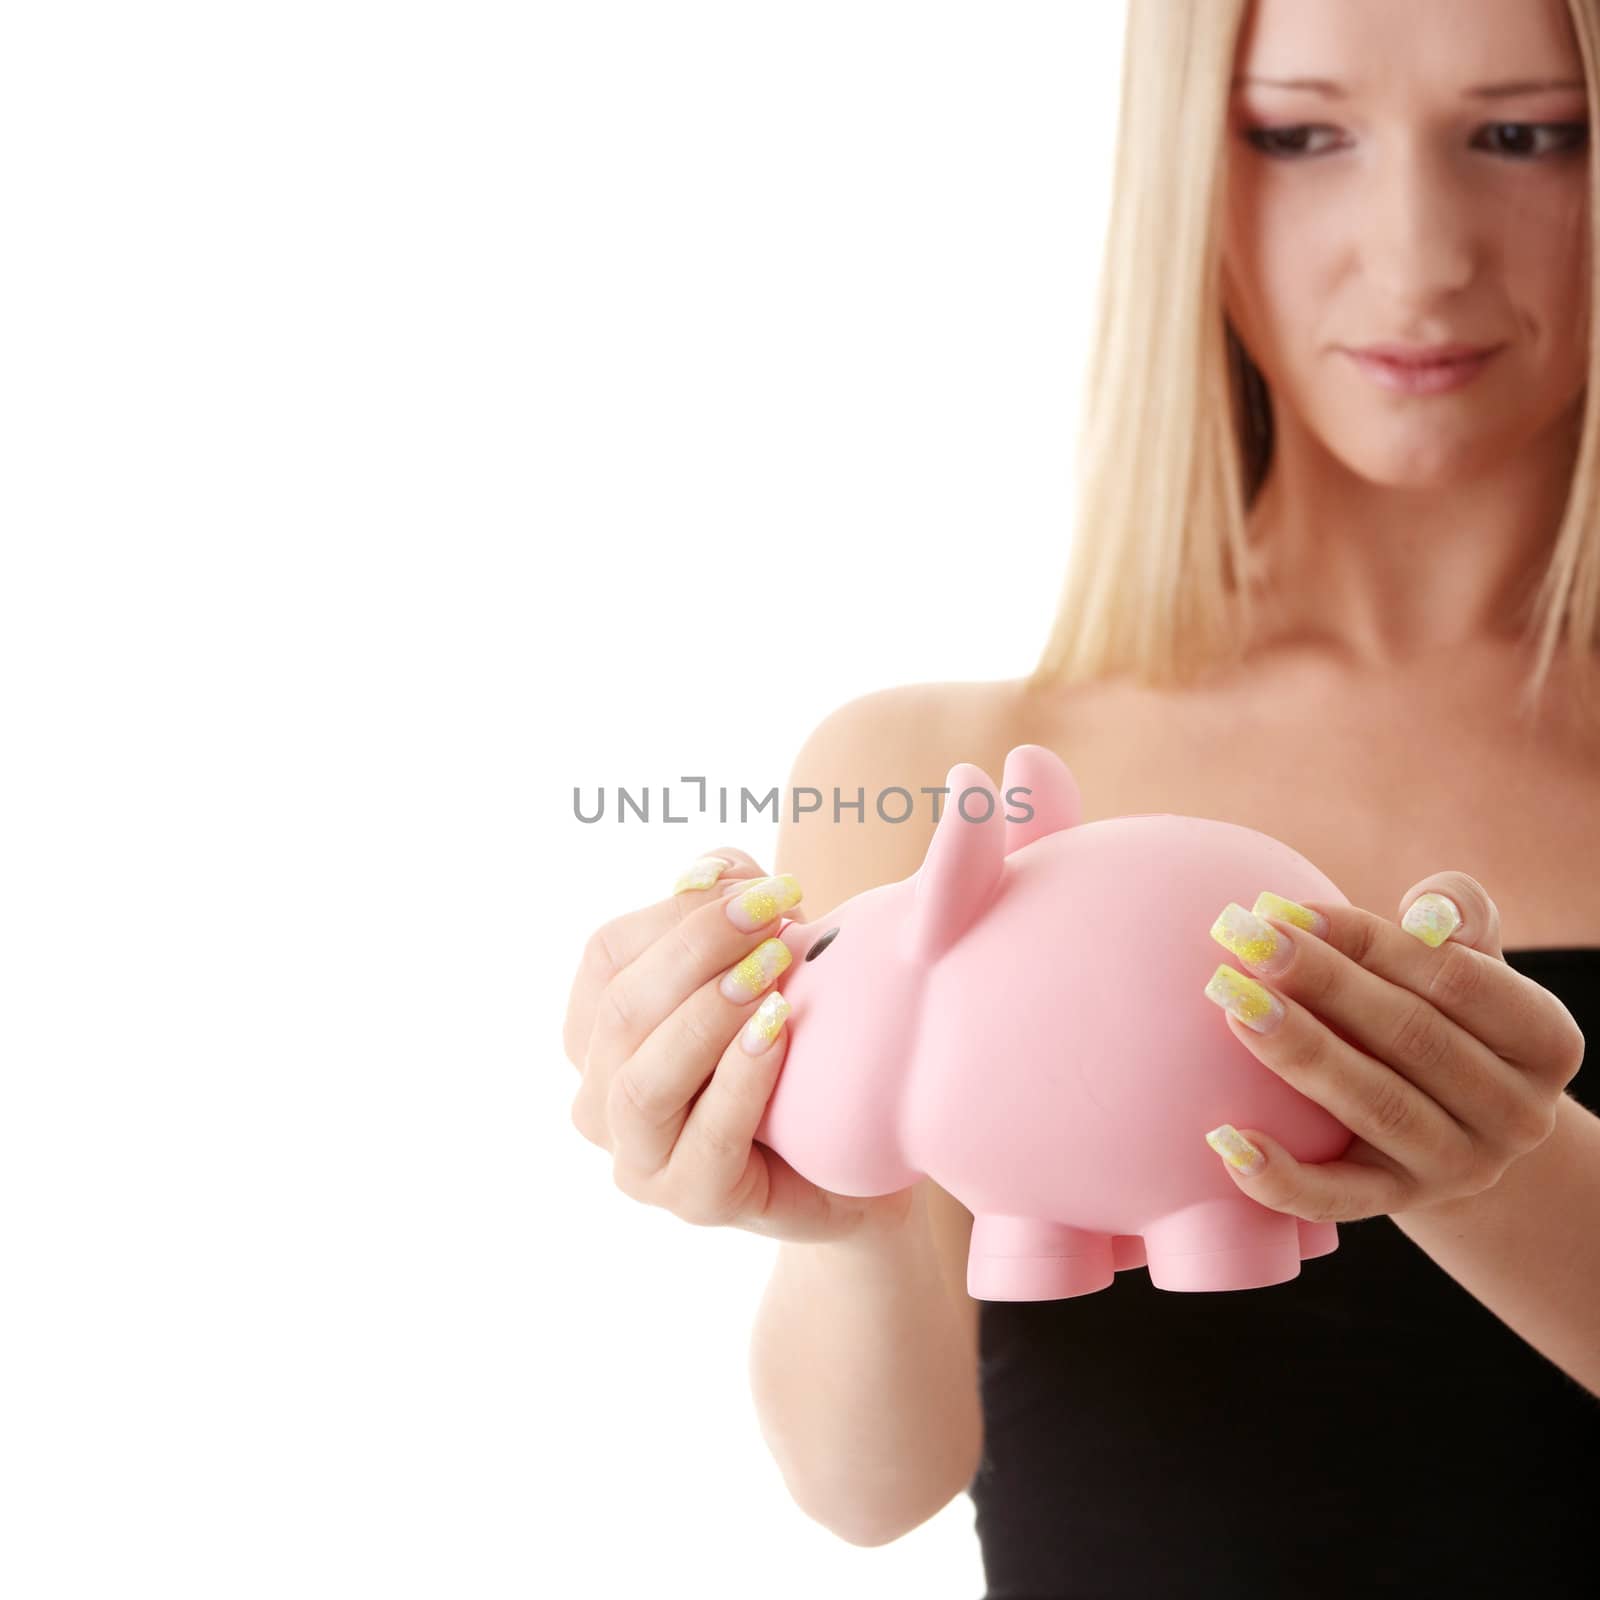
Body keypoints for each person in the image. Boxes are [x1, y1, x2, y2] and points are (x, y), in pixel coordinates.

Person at [563, 0, 1600, 1591]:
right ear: (1192, 159)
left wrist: (1499, 1163)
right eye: (1300, 133)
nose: (1418, 258)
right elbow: (869, 1490)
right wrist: (830, 1212)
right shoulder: (918, 770)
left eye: (1525, 132)